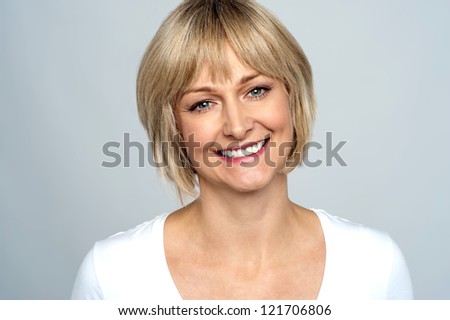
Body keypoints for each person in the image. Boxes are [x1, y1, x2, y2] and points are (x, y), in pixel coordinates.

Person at [71, 0, 413, 300]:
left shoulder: (375, 266)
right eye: (204, 103)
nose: (237, 126)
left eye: (256, 91)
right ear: (172, 127)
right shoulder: (111, 275)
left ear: (293, 97)